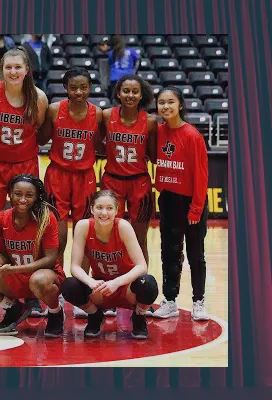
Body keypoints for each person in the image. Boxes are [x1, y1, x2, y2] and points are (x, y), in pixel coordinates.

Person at [0, 48, 49, 318]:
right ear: (1, 70)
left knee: (29, 224)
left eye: (18, 67)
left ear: (27, 69)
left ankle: (32, 293)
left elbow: (37, 129)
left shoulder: (38, 97)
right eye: (8, 68)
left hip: (25, 165)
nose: (13, 72)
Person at [0, 174, 66, 336]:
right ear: (9, 193)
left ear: (37, 196)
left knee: (39, 280)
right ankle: (13, 308)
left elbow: (50, 259)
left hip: (44, 276)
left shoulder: (46, 218)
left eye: (29, 195)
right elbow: (4, 254)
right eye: (18, 194)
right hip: (16, 276)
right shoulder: (1, 219)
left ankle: (55, 313)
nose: (23, 199)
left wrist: (15, 270)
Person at [37, 67, 103, 318]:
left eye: (83, 87)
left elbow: (100, 146)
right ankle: (58, 290)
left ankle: (81, 289)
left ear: (90, 88)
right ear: (65, 88)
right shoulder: (55, 110)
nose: (78, 92)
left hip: (85, 178)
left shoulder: (97, 115)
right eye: (73, 87)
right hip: (58, 176)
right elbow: (41, 139)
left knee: (84, 238)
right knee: (59, 238)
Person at [60, 190, 159, 339]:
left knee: (149, 283)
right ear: (92, 209)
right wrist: (91, 282)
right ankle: (95, 315)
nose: (104, 213)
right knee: (69, 285)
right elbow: (74, 267)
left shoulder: (123, 227)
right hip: (101, 288)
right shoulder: (83, 226)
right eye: (99, 207)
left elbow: (141, 266)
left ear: (117, 211)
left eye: (109, 208)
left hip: (126, 288)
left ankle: (139, 317)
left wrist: (116, 282)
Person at [149, 87, 211, 321]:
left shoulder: (192, 135)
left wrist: (196, 208)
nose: (165, 107)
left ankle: (199, 301)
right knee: (169, 252)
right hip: (168, 200)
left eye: (170, 102)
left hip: (190, 203)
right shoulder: (158, 132)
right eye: (161, 102)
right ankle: (170, 301)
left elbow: (201, 175)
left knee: (196, 254)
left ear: (180, 105)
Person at [100, 74, 156, 272]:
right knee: (108, 237)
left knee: (140, 239)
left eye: (135, 91)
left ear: (142, 95)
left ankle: (142, 286)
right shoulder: (106, 116)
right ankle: (109, 281)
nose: (130, 95)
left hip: (139, 183)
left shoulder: (149, 121)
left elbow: (153, 154)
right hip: (112, 182)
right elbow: (96, 144)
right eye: (126, 91)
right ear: (118, 93)